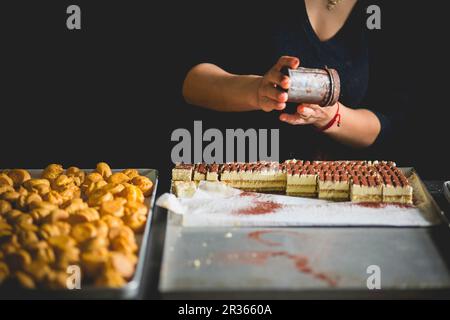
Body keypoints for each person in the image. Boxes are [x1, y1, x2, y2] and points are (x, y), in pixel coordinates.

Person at [182, 0, 410, 160]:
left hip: (341, 193)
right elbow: (189, 80)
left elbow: (394, 123)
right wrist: (256, 92)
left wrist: (331, 117)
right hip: (232, 174)